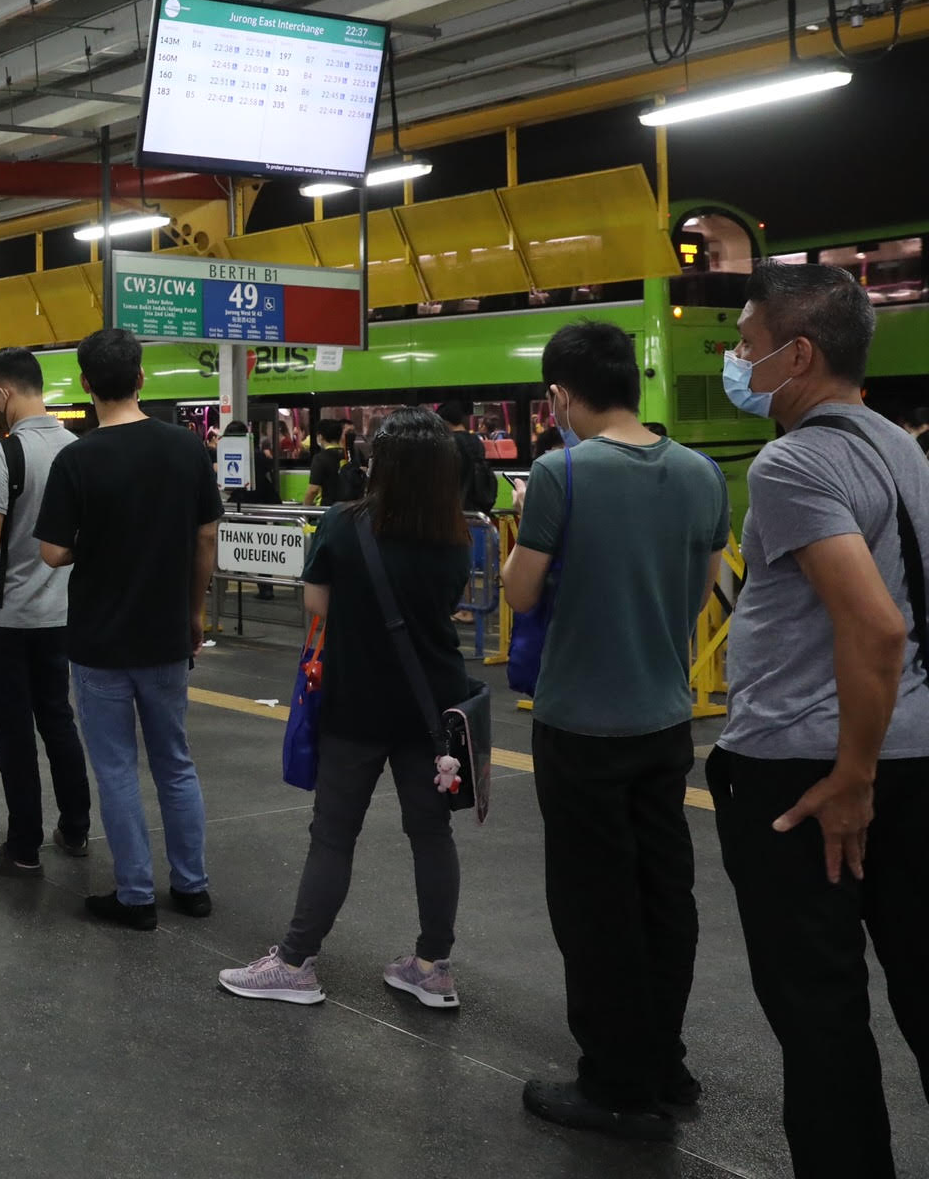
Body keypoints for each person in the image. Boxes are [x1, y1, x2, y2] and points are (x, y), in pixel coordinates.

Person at [710, 263, 929, 1179]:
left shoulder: (793, 460)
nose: (738, 361)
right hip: (911, 749)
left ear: (797, 355)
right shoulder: (900, 444)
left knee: (820, 1012)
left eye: (748, 345)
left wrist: (849, 779)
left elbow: (874, 625)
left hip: (808, 772)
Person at [493, 321, 731, 1139]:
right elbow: (703, 591)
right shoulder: (702, 475)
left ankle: (614, 1084)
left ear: (560, 395)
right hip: (666, 723)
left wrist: (528, 523)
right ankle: (665, 1061)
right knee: (666, 895)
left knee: (596, 906)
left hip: (583, 727)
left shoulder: (562, 473)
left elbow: (520, 596)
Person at [217, 407, 471, 1009]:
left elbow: (316, 603)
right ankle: (432, 967)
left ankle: (296, 962)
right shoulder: (457, 533)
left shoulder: (344, 523)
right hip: (433, 708)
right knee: (431, 834)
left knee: (333, 835)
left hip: (357, 701)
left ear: (377, 464)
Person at [36, 327, 221, 928]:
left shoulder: (77, 458)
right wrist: (194, 613)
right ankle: (192, 887)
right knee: (175, 761)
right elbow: (206, 537)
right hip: (167, 633)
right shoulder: (186, 449)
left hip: (99, 641)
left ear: (87, 384)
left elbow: (52, 554)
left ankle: (136, 896)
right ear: (141, 377)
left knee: (115, 767)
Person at [0, 347, 88, 874]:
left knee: (13, 730)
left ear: (3, 393)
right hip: (60, 611)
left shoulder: (6, 455)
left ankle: (23, 847)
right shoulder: (76, 448)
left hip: (5, 617)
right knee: (58, 718)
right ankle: (75, 827)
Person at [440, 399, 497, 514]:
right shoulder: (476, 440)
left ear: (445, 421)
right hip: (478, 505)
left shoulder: (449, 443)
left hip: (459, 508)